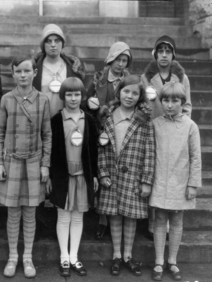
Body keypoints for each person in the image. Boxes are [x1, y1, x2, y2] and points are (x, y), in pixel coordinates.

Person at [0, 55, 52, 278]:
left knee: (30, 212)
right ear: (13, 73)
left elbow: (47, 135)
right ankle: (12, 257)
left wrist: (45, 164)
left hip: (34, 163)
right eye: (18, 71)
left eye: (27, 71)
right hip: (12, 162)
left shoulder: (43, 100)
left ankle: (27, 257)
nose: (23, 75)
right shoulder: (7, 99)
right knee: (13, 212)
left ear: (35, 73)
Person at [97, 75, 155, 277]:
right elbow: (101, 147)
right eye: (126, 91)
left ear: (140, 97)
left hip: (134, 175)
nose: (129, 96)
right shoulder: (107, 116)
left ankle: (128, 256)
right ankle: (116, 255)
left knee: (130, 216)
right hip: (112, 173)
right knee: (114, 214)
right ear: (118, 92)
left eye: (135, 93)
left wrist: (147, 180)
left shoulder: (144, 120)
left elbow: (150, 151)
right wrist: (102, 173)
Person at [141, 35, 192, 241]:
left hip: (175, 132)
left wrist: (181, 124)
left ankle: (171, 222)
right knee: (155, 173)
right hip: (154, 131)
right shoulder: (146, 78)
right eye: (160, 51)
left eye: (168, 52)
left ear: (173, 55)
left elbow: (186, 105)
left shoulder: (182, 77)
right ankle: (153, 222)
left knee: (172, 173)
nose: (164, 55)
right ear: (155, 54)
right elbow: (143, 103)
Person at [149, 82, 201, 281]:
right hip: (160, 180)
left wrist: (192, 184)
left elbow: (196, 157)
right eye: (166, 100)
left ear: (182, 102)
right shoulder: (156, 124)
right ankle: (159, 262)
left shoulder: (190, 126)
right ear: (161, 101)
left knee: (177, 220)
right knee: (160, 219)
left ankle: (173, 261)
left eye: (175, 100)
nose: (170, 105)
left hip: (181, 180)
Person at [48, 77, 98, 277]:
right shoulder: (56, 120)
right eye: (69, 94)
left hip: (82, 174)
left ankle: (74, 257)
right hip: (63, 174)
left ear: (82, 96)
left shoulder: (89, 120)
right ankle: (64, 257)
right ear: (63, 96)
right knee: (63, 216)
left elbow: (93, 150)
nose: (73, 98)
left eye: (77, 94)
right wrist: (50, 176)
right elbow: (50, 151)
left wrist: (93, 174)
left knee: (78, 217)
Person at [86, 41, 132, 240]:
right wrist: (92, 105)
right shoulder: (98, 78)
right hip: (100, 128)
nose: (121, 64)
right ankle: (102, 218)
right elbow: (86, 101)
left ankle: (117, 214)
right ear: (110, 59)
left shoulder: (129, 80)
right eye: (118, 60)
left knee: (115, 171)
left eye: (124, 60)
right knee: (101, 170)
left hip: (121, 129)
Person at [32, 24, 86, 117]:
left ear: (62, 43)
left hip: (66, 121)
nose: (53, 45)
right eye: (49, 41)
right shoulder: (33, 69)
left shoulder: (74, 68)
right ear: (43, 45)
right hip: (40, 121)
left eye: (57, 41)